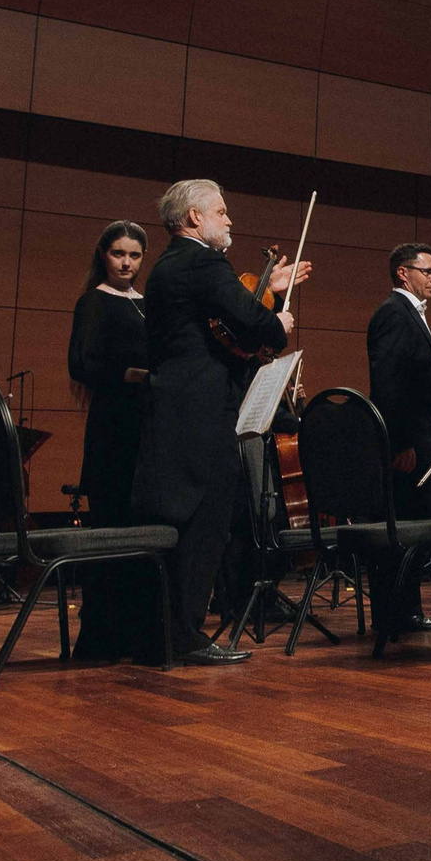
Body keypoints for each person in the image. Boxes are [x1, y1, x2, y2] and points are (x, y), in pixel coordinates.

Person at [132, 179, 303, 665]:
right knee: (204, 527)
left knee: (181, 524)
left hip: (172, 409)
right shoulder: (204, 261)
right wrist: (278, 320)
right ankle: (184, 637)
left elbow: (226, 320)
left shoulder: (167, 265)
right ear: (194, 218)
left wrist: (265, 294)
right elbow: (253, 326)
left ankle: (163, 635)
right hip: (202, 415)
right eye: (222, 212)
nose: (229, 220)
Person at [67, 221, 154, 659]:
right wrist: (127, 375)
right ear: (104, 254)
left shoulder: (147, 305)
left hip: (147, 428)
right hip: (112, 429)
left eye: (134, 255)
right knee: (111, 528)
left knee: (141, 529)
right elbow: (80, 365)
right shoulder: (93, 301)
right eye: (119, 253)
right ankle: (102, 636)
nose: (126, 263)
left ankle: (139, 633)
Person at [368, 241, 431, 634]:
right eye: (427, 271)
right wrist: (399, 443)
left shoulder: (409, 313)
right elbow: (388, 384)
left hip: (419, 433)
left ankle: (407, 610)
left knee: (415, 521)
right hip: (408, 440)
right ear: (404, 273)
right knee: (404, 523)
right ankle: (397, 613)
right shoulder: (394, 314)